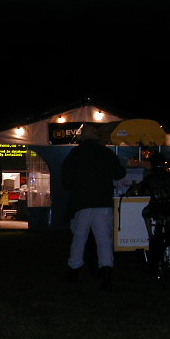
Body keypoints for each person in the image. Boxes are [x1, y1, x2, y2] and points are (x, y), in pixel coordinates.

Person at [61, 124, 126, 290]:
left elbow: (66, 180)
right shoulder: (105, 152)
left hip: (81, 202)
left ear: (82, 138)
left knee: (79, 237)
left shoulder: (75, 154)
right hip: (102, 201)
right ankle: (106, 272)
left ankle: (74, 270)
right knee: (104, 239)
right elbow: (119, 173)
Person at [136, 152, 170, 240]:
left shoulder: (151, 177)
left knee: (145, 212)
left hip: (156, 206)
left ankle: (150, 235)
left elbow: (141, 188)